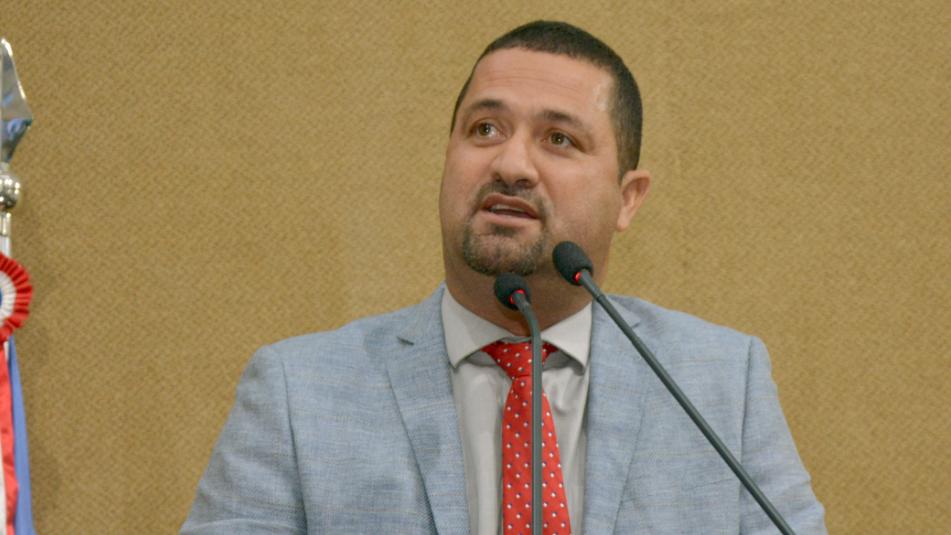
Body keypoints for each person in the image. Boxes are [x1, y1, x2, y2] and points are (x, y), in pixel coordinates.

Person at [182, 21, 826, 534]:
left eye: (559, 139)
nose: (511, 164)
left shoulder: (720, 384)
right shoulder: (298, 395)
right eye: (485, 129)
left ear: (628, 199)